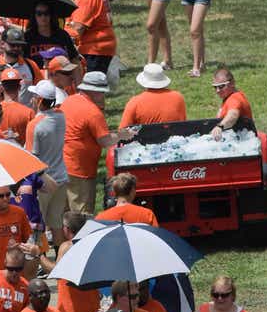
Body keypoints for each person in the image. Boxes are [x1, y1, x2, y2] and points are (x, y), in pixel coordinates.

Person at [61, 71, 134, 214]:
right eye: (101, 92)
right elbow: (105, 141)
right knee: (81, 216)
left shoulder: (69, 101)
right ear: (93, 92)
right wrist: (121, 135)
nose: (103, 96)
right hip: (80, 170)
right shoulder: (93, 112)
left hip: (61, 165)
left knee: (64, 213)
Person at [24, 81, 67, 247]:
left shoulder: (34, 125)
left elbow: (30, 159)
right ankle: (59, 261)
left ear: (40, 100)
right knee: (56, 225)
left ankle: (39, 260)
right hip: (61, 178)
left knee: (38, 225)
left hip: (43, 182)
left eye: (34, 97)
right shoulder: (61, 116)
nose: (32, 99)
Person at [68, 0, 116, 74]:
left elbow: (78, 28)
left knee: (89, 89)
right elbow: (109, 19)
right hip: (101, 48)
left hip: (93, 49)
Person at [120, 64, 187, 127]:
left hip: (146, 139)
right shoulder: (178, 97)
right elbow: (182, 124)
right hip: (174, 138)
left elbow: (123, 130)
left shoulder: (135, 102)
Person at [25, 2, 78, 70]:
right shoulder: (28, 37)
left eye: (46, 13)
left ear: (51, 15)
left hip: (58, 77)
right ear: (34, 15)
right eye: (39, 13)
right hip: (35, 77)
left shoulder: (62, 35)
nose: (43, 17)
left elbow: (74, 59)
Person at [210, 67, 253, 140]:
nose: (217, 90)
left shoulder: (234, 98)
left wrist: (220, 127)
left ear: (232, 83)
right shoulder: (229, 97)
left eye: (221, 86)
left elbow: (233, 115)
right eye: (215, 87)